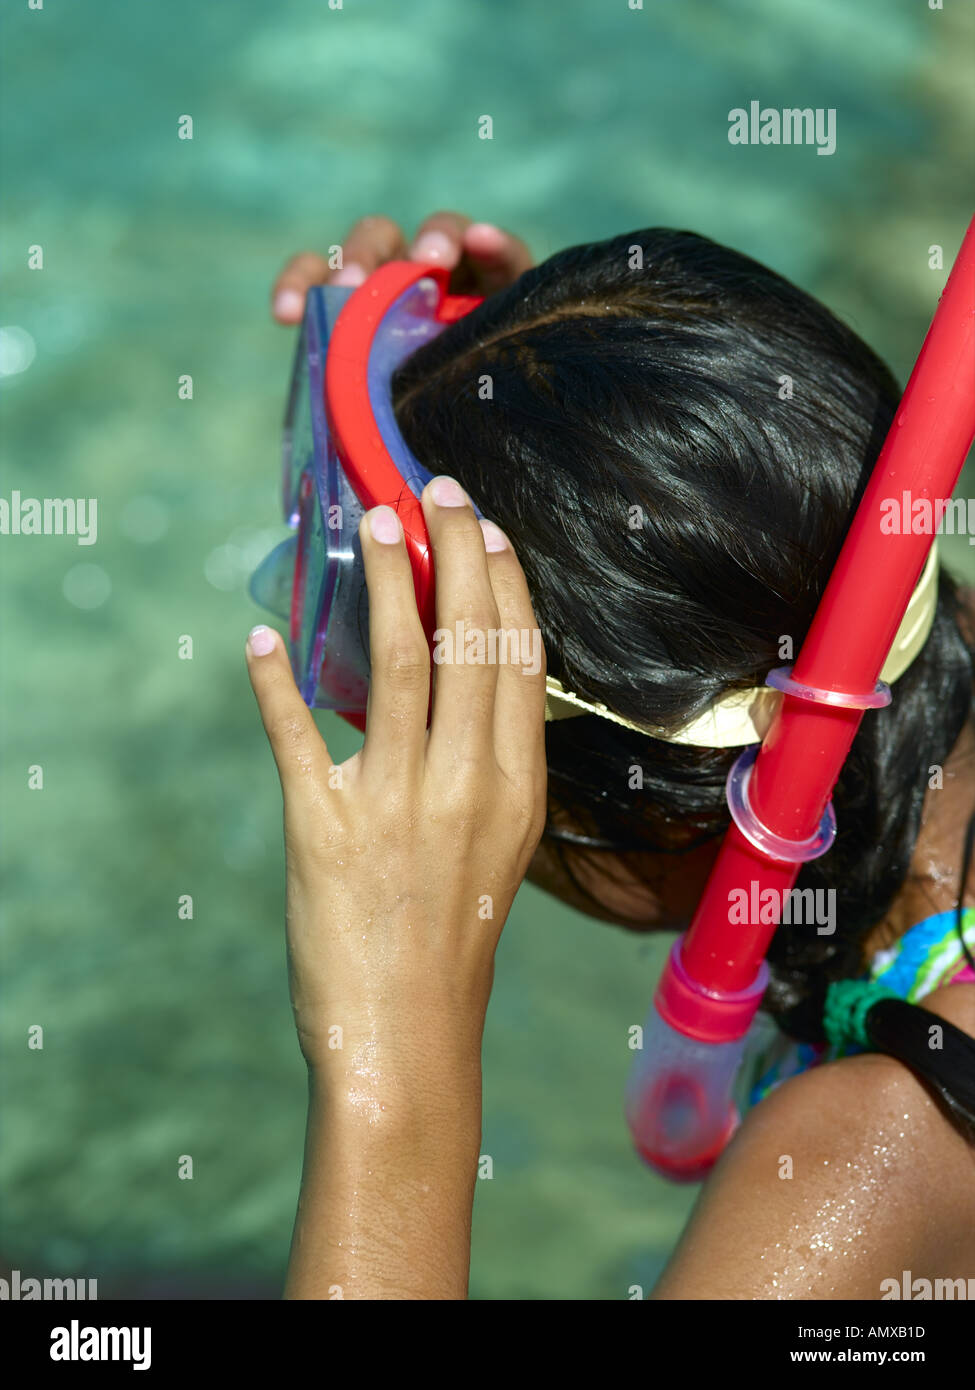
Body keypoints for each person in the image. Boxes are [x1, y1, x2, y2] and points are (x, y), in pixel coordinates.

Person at [246, 212, 975, 1299]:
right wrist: (571, 402)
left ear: (685, 797)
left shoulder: (861, 1167)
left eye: (415, 709)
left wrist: (387, 1072)